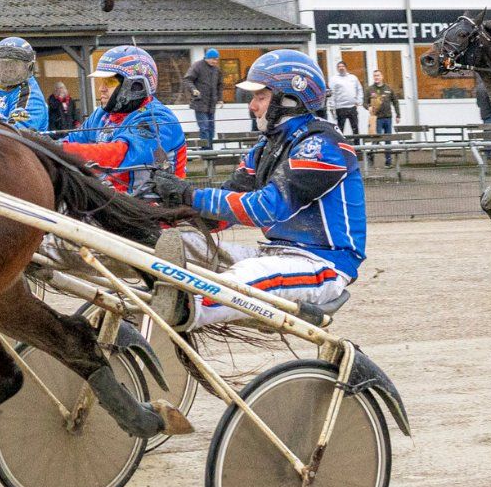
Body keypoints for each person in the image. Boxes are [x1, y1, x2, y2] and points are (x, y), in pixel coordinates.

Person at [146, 49, 365, 331]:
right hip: (273, 254)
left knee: (246, 275)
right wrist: (158, 214)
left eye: (260, 97)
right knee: (177, 241)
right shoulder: (265, 147)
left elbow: (265, 208)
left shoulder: (323, 145)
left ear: (290, 100)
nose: (252, 106)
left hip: (322, 266)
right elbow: (221, 214)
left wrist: (189, 194)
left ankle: (183, 309)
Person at [60, 45, 187, 194]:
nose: (101, 88)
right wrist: (48, 145)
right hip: (112, 204)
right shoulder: (102, 114)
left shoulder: (158, 118)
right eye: (102, 82)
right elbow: (74, 139)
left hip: (154, 208)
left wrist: (62, 150)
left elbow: (121, 154)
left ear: (135, 86)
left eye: (110, 82)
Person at [183, 49, 223, 147]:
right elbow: (187, 80)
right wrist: (193, 90)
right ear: (207, 58)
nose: (215, 62)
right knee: (204, 127)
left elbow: (220, 85)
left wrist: (220, 99)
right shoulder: (197, 66)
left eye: (216, 60)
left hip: (211, 104)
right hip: (200, 103)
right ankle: (205, 150)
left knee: (211, 128)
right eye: (213, 59)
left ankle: (210, 149)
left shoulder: (217, 70)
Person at [365, 70, 401, 167]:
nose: (376, 77)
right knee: (376, 139)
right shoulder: (370, 89)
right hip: (376, 118)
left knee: (388, 140)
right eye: (375, 76)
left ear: (382, 76)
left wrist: (398, 114)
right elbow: (364, 102)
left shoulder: (388, 88)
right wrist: (368, 107)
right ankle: (370, 155)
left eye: (378, 75)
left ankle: (388, 162)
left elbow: (395, 101)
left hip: (388, 117)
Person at [329, 62, 364, 135]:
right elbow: (332, 94)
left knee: (355, 128)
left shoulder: (353, 78)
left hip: (352, 107)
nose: (341, 68)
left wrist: (359, 101)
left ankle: (357, 145)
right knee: (340, 129)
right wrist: (332, 107)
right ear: (337, 69)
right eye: (339, 67)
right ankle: (341, 145)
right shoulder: (334, 79)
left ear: (346, 67)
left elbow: (359, 89)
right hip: (340, 108)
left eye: (343, 66)